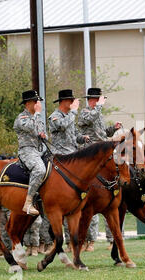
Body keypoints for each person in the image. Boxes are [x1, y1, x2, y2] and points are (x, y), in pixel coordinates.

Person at [78, 87, 122, 251]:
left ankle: (112, 238)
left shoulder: (98, 113)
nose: (98, 102)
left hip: (103, 150)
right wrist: (100, 106)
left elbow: (102, 132)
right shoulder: (85, 112)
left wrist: (113, 128)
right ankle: (86, 240)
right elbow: (89, 121)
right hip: (90, 152)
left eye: (99, 100)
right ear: (91, 100)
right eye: (96, 99)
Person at [48, 89, 89, 252]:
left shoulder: (69, 116)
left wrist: (82, 138)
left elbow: (74, 134)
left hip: (73, 155)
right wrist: (73, 112)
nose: (72, 103)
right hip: (61, 157)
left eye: (73, 101)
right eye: (70, 101)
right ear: (63, 102)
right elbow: (63, 127)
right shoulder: (55, 116)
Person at [13, 89, 46, 216]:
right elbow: (30, 127)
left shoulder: (37, 118)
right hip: (27, 151)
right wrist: (37, 113)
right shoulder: (22, 118)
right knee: (39, 170)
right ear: (28, 103)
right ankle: (28, 202)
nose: (38, 104)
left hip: (40, 150)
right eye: (36, 102)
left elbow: (43, 132)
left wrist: (44, 136)